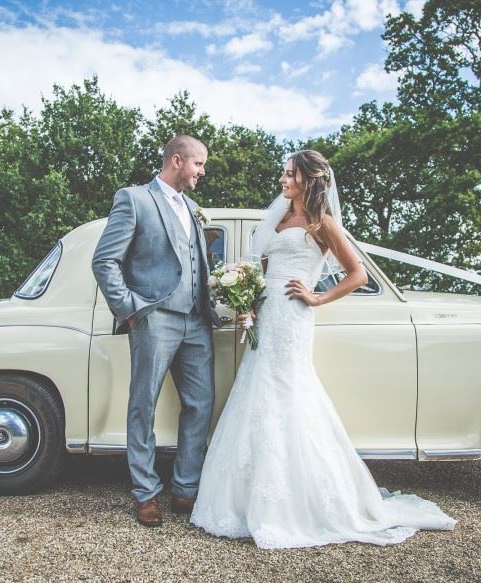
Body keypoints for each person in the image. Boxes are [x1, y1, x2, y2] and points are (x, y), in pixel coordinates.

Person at [190, 150, 456, 549]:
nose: (282, 180)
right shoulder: (277, 219)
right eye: (283, 173)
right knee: (256, 391)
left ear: (308, 180)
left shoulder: (322, 223)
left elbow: (357, 273)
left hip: (295, 317)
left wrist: (317, 298)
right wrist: (247, 304)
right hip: (267, 315)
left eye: (289, 174)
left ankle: (300, 502)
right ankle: (246, 501)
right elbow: (259, 270)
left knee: (291, 393)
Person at [92, 135, 219, 527]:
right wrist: (131, 311)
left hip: (197, 322)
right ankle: (145, 493)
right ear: (177, 161)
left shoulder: (195, 208)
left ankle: (186, 488)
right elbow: (105, 261)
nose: (202, 172)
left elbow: (197, 263)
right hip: (154, 318)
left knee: (200, 404)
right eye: (199, 164)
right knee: (142, 404)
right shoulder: (134, 199)